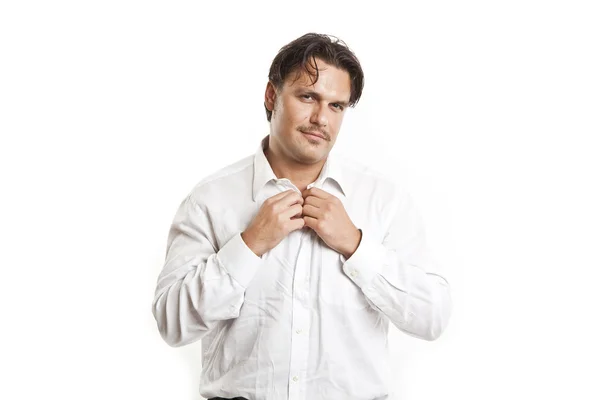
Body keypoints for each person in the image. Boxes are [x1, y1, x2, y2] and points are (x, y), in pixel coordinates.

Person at [152, 32, 452, 400]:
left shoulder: (383, 200)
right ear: (271, 96)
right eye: (308, 97)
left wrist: (357, 247)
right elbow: (171, 323)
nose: (320, 118)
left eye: (336, 106)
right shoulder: (211, 200)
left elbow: (432, 316)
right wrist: (249, 246)